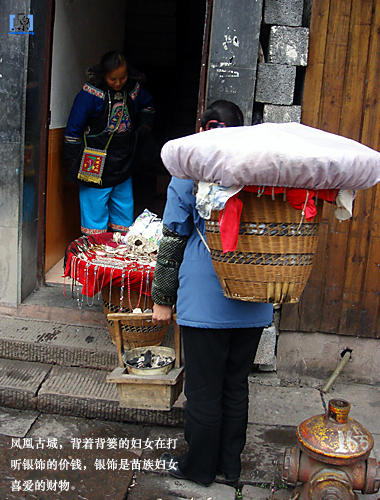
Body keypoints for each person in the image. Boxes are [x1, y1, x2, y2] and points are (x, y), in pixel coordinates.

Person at [151, 100, 274, 487]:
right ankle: (230, 468)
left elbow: (172, 240)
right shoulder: (265, 175)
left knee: (203, 391)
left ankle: (200, 469)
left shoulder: (189, 174)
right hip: (254, 298)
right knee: (235, 385)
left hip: (205, 301)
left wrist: (161, 300)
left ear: (204, 128)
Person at [64, 50, 155, 235]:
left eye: (123, 77)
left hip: (123, 158)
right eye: (113, 78)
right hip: (94, 160)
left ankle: (119, 252)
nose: (119, 82)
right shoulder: (90, 94)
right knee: (94, 208)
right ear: (103, 74)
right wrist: (73, 158)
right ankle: (96, 252)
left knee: (123, 204)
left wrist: (144, 128)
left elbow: (148, 105)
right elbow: (74, 127)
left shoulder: (133, 89)